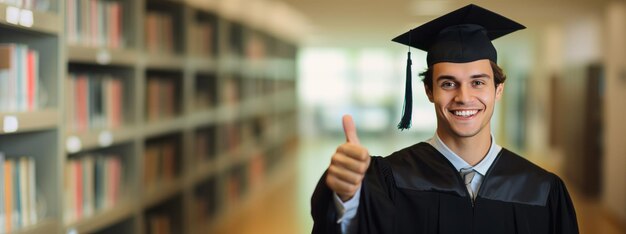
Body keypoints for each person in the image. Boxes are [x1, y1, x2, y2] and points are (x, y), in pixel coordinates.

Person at [311, 4, 579, 234]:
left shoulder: (542, 189)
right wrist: (346, 198)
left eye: (477, 82)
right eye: (448, 83)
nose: (464, 97)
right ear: (429, 91)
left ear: (498, 90)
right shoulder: (389, 179)